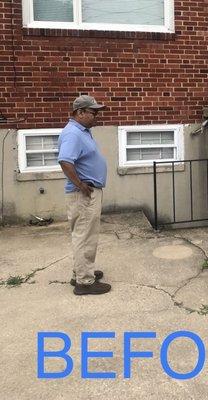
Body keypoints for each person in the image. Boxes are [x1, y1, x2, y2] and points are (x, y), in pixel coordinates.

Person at [58, 95, 111, 296]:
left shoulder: (82, 131)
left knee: (84, 235)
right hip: (84, 194)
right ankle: (85, 282)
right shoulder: (73, 133)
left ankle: (80, 273)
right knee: (85, 236)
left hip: (86, 192)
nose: (96, 116)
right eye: (93, 112)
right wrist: (80, 184)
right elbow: (65, 161)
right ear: (79, 112)